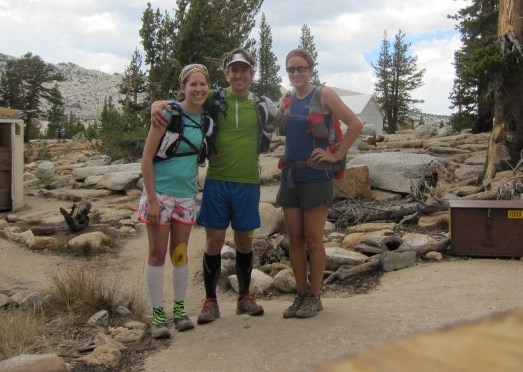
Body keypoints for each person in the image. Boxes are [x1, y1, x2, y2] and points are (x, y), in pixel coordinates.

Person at [151, 48, 277, 325]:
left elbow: (287, 118)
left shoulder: (262, 104)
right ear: (227, 73)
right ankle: (211, 300)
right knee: (214, 241)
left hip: (247, 182)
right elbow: (183, 99)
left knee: (244, 241)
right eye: (234, 69)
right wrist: (156, 104)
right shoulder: (213, 96)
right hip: (217, 181)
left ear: (252, 73)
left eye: (244, 69)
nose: (239, 74)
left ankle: (245, 297)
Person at [276, 48, 363, 319]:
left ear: (311, 69)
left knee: (313, 239)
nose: (296, 73)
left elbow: (355, 123)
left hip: (317, 176)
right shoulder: (288, 99)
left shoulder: (323, 94)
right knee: (295, 238)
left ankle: (314, 297)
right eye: (291, 69)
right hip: (291, 176)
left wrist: (335, 154)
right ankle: (300, 295)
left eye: (301, 68)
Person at [138, 63, 210, 339]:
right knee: (157, 254)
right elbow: (146, 158)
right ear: (182, 88)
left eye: (202, 84)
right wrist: (152, 200)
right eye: (192, 84)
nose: (198, 89)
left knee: (179, 253)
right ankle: (158, 316)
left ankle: (179, 311)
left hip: (186, 196)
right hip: (161, 194)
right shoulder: (167, 113)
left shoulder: (206, 116)